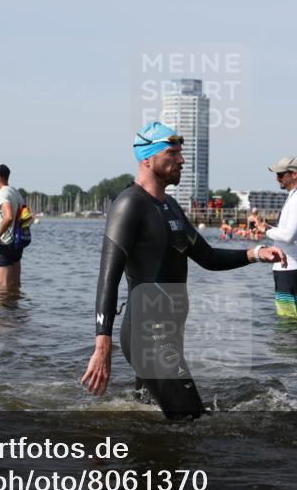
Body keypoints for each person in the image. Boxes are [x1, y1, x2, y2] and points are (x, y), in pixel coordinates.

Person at [81, 122, 286, 420]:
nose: (182, 160)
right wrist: (103, 345)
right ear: (147, 159)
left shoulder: (171, 206)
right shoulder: (129, 205)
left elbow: (207, 256)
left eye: (181, 152)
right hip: (147, 336)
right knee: (193, 421)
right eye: (172, 152)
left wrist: (255, 254)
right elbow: (107, 278)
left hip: (169, 334)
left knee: (149, 422)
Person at [257, 157, 297, 319]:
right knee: (289, 319)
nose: (277, 178)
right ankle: (296, 343)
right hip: (288, 268)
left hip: (293, 267)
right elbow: (287, 232)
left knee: (289, 321)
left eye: (281, 174)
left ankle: (295, 345)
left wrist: (266, 230)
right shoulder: (295, 196)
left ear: (295, 174)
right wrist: (267, 228)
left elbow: (289, 236)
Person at [0, 163, 25, 290]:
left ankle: (3, 310)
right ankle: (14, 309)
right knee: (15, 285)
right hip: (17, 243)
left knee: (3, 287)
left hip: (4, 243)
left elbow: (8, 217)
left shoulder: (2, 193)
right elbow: (26, 216)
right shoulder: (16, 192)